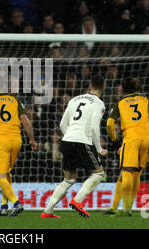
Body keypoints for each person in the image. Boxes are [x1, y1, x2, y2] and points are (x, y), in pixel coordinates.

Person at [41, 75, 108, 219]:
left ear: (90, 85)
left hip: (66, 140)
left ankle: (47, 211)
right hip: (82, 141)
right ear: (104, 87)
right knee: (98, 174)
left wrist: (70, 137)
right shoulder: (99, 103)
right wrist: (99, 148)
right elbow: (95, 128)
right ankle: (77, 201)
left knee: (69, 179)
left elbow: (62, 125)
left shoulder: (74, 99)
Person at [0, 83, 37, 217]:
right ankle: (4, 206)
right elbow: (26, 121)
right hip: (17, 140)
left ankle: (16, 203)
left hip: (1, 141)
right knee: (6, 173)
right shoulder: (14, 99)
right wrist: (32, 140)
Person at [105, 77, 149, 217]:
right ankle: (128, 208)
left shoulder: (120, 103)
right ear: (137, 88)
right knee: (136, 174)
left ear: (123, 89)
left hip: (131, 140)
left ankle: (125, 209)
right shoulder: (146, 100)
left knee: (127, 172)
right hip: (146, 140)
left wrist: (114, 140)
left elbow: (109, 124)